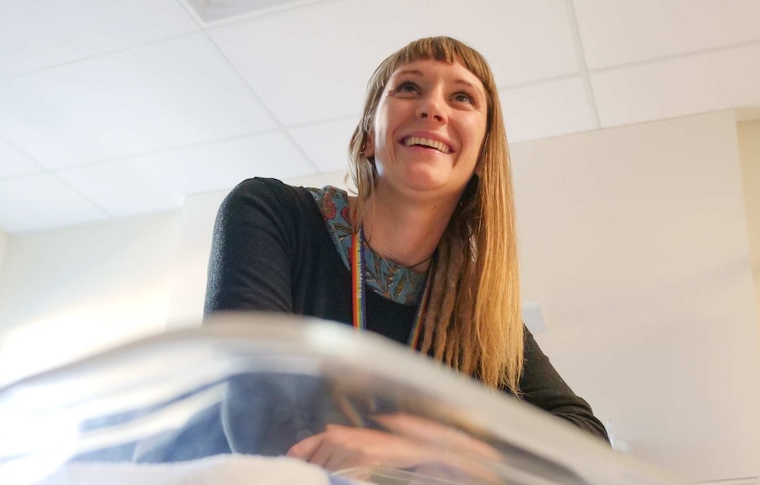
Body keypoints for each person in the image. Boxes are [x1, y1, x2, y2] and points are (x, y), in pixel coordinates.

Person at [204, 36, 608, 470]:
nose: (432, 108)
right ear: (365, 138)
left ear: (481, 156)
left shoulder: (480, 315)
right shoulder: (270, 213)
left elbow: (586, 447)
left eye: (461, 97)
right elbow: (255, 409)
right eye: (409, 88)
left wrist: (441, 452)